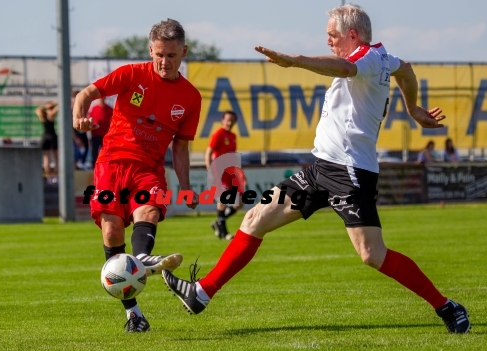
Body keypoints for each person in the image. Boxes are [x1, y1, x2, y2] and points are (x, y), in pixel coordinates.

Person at [162, 4, 471, 334]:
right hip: (321, 169)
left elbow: (345, 66)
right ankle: (202, 293)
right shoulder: (383, 57)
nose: (328, 42)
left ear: (353, 35)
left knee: (371, 253)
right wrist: (414, 110)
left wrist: (294, 61)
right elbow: (406, 70)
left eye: (332, 36)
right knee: (254, 219)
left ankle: (446, 305)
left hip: (350, 173)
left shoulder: (366, 58)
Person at [72, 19, 201, 333]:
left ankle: (142, 256)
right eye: (159, 54)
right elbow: (87, 92)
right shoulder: (132, 74)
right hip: (112, 162)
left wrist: (185, 186)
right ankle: (134, 314)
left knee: (149, 209)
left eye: (171, 55)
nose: (164, 61)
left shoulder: (191, 97)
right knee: (112, 231)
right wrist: (79, 116)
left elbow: (181, 148)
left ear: (183, 52)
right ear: (150, 50)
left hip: (149, 168)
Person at [205, 110, 244, 240]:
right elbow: (208, 153)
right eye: (227, 119)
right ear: (222, 120)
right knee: (223, 200)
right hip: (219, 171)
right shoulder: (218, 134)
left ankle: (219, 222)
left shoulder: (233, 136)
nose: (229, 122)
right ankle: (224, 232)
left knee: (240, 201)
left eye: (232, 120)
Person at [36, 101, 58, 184]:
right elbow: (59, 108)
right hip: (52, 136)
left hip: (45, 137)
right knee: (56, 158)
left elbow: (38, 109)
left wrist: (46, 107)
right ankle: (55, 177)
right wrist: (54, 104)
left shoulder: (42, 115)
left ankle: (49, 177)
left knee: (46, 159)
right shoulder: (51, 115)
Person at [88, 97, 113, 167]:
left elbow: (112, 121)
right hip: (95, 134)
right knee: (94, 151)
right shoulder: (94, 108)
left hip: (105, 135)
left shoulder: (109, 109)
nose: (102, 99)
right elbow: (90, 120)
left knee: (105, 152)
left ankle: (105, 166)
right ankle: (94, 166)